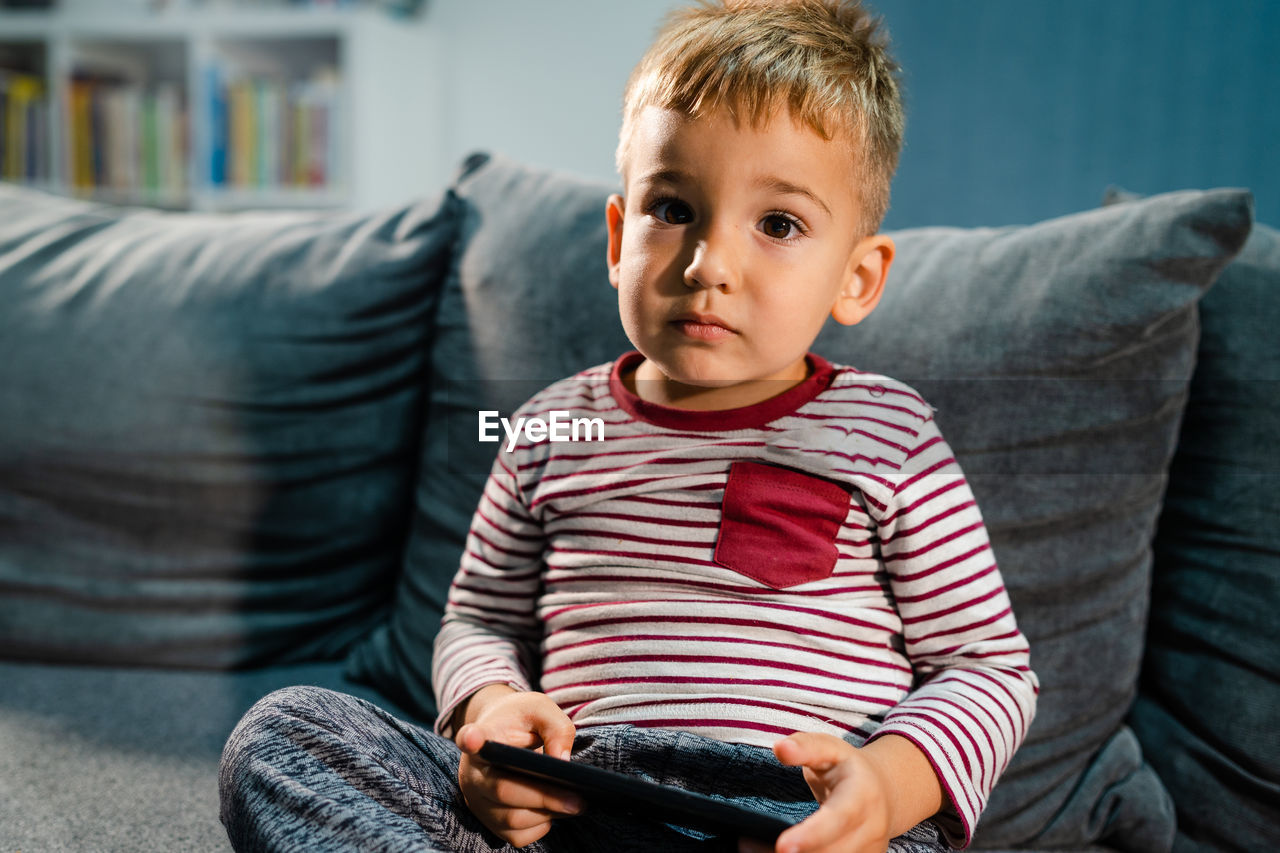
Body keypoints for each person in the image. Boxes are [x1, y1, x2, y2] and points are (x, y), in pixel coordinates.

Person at [219, 2, 1038, 851]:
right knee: (289, 732)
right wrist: (494, 716)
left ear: (858, 277)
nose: (708, 264)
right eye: (673, 208)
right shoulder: (548, 430)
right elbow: (479, 622)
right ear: (618, 237)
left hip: (788, 815)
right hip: (580, 798)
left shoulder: (888, 431)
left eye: (779, 224)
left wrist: (889, 786)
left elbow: (989, 667)